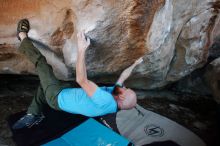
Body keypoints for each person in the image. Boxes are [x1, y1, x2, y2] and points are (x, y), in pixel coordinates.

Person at [12, 19, 143, 129]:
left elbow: (81, 79)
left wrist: (81, 49)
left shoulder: (106, 100)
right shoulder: (116, 99)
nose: (124, 87)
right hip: (66, 91)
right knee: (45, 82)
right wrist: (135, 64)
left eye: (125, 90)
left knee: (42, 64)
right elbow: (123, 77)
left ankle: (22, 36)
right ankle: (33, 114)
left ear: (121, 98)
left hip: (56, 97)